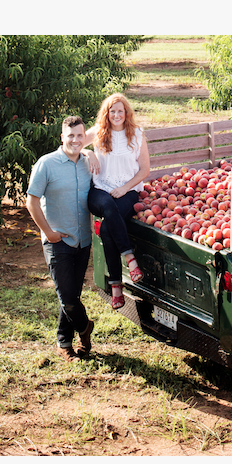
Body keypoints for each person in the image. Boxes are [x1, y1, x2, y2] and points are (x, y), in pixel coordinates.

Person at [27, 116, 95, 362]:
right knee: (67, 297)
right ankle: (86, 328)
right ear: (62, 137)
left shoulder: (88, 163)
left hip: (83, 241)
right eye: (71, 136)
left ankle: (63, 343)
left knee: (71, 296)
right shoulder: (46, 164)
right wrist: (48, 232)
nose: (75, 140)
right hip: (57, 241)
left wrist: (91, 154)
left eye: (80, 136)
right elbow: (31, 202)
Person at [84, 93, 150, 309]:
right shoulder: (98, 132)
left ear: (126, 113)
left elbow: (144, 170)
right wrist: (87, 153)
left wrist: (124, 188)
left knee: (105, 230)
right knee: (108, 207)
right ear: (107, 113)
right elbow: (69, 142)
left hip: (128, 191)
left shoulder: (137, 135)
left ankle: (116, 288)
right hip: (100, 190)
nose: (117, 115)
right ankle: (130, 259)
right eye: (112, 111)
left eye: (120, 111)